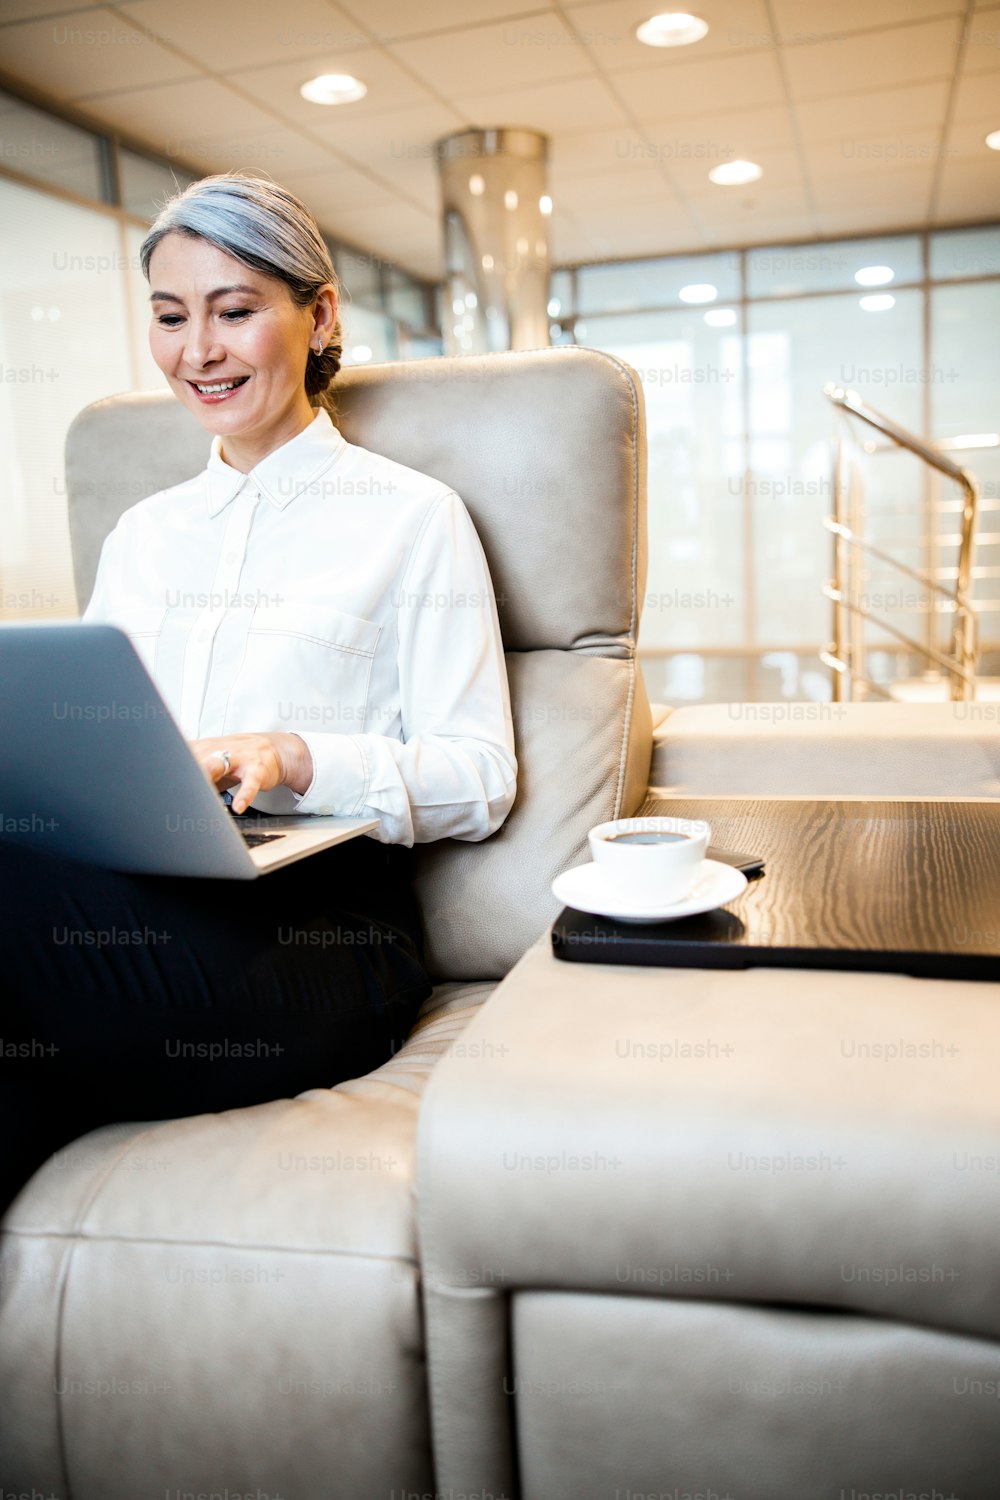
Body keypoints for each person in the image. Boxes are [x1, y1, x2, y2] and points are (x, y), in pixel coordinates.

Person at [0, 173, 516, 1215]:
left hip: (322, 934)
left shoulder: (411, 519)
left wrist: (295, 755)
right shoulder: (146, 534)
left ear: (318, 316)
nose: (199, 351)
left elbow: (482, 775)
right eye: (170, 316)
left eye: (235, 312)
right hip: (140, 896)